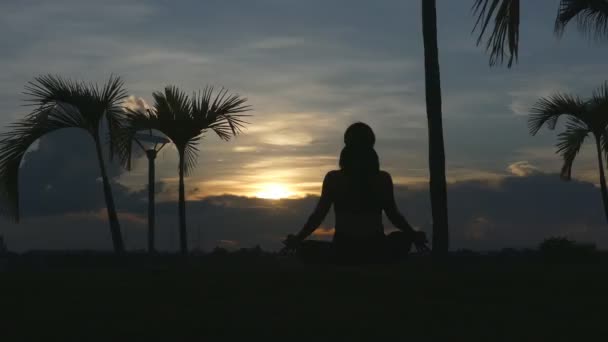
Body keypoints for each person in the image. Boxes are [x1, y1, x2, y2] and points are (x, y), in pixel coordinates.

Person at [283, 122, 429, 264]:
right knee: (401, 240)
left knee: (307, 249)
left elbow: (318, 215)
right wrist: (413, 235)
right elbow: (394, 215)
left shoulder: (337, 179)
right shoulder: (378, 179)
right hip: (363, 248)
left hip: (357, 247)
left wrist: (298, 238)